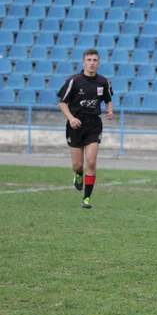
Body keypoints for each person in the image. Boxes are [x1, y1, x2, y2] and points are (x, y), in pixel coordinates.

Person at [57, 49, 114, 209]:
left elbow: (108, 100)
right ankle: (78, 175)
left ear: (98, 63)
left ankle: (87, 198)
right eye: (88, 60)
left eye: (95, 60)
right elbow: (62, 103)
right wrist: (71, 118)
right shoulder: (74, 81)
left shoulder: (104, 82)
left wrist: (109, 110)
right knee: (77, 165)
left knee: (91, 161)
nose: (91, 63)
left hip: (93, 125)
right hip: (75, 125)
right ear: (83, 63)